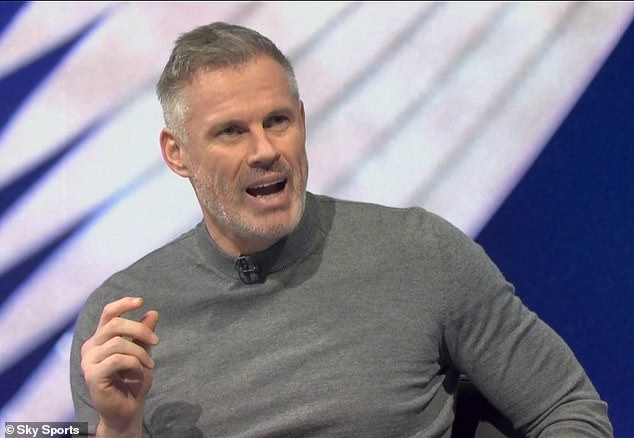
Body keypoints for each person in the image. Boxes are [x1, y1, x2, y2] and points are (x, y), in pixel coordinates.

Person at [69, 21, 613, 437]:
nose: (265, 150)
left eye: (277, 121)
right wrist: (118, 427)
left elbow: (569, 411)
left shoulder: (421, 253)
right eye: (231, 132)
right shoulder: (122, 320)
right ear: (177, 153)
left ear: (302, 121)